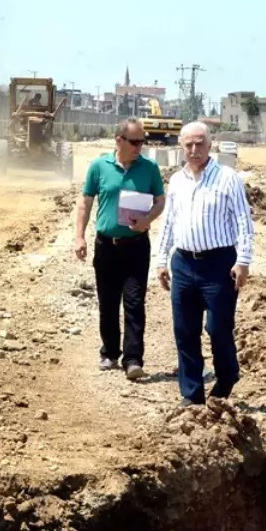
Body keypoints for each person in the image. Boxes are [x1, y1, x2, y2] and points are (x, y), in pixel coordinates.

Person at [157, 121, 255, 406]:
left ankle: (227, 375)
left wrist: (244, 261)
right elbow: (169, 223)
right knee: (185, 331)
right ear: (181, 147)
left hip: (219, 265)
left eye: (199, 143)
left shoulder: (227, 178)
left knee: (218, 328)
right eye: (188, 144)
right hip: (184, 264)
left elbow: (243, 222)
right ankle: (192, 394)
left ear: (210, 145)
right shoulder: (176, 181)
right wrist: (162, 260)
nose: (194, 149)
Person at [75, 118, 166, 380]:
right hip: (106, 246)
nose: (140, 146)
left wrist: (148, 219)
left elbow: (160, 201)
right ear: (119, 140)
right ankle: (110, 353)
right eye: (135, 142)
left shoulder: (149, 169)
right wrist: (79, 237)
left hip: (136, 247)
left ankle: (133, 359)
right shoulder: (99, 166)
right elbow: (85, 203)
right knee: (108, 302)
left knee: (135, 302)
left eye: (142, 142)